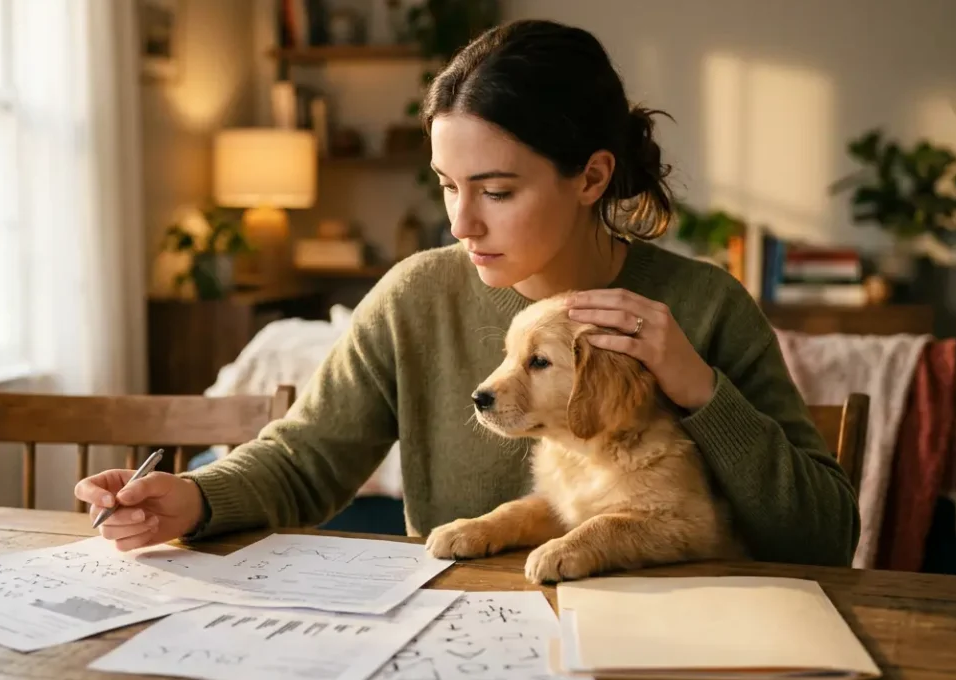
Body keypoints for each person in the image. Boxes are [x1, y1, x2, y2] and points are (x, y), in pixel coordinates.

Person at [74, 18, 859, 567]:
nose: (462, 223)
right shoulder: (418, 295)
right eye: (449, 185)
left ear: (592, 176)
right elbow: (304, 458)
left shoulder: (705, 306)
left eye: (497, 190)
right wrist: (192, 497)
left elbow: (825, 538)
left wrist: (700, 390)